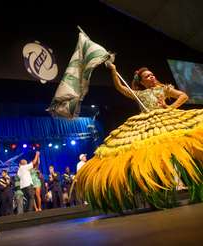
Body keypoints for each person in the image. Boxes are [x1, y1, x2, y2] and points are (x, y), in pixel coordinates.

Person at [76, 62, 203, 212]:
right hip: (148, 125)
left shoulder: (163, 88)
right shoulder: (139, 94)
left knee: (176, 147)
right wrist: (114, 70)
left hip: (166, 119)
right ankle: (168, 183)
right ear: (142, 82)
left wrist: (170, 107)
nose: (152, 76)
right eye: (147, 76)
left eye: (152, 74)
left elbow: (184, 96)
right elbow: (120, 87)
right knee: (155, 153)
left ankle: (188, 178)